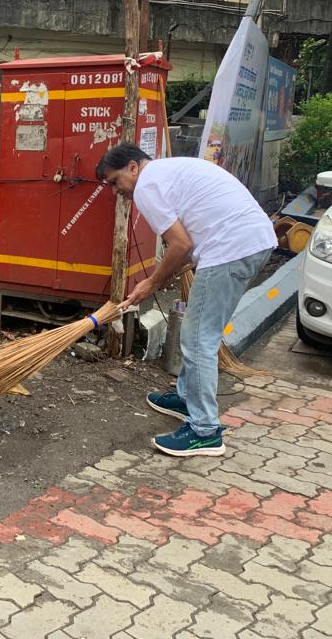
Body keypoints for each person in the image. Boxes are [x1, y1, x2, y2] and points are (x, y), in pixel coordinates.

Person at [96, 143, 276, 457]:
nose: (116, 192)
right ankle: (187, 398)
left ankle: (205, 431)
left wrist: (152, 282)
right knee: (200, 335)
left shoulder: (147, 187)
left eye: (115, 182)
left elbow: (179, 244)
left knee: (197, 340)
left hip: (231, 249)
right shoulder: (167, 172)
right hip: (250, 241)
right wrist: (158, 279)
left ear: (133, 167)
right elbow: (185, 245)